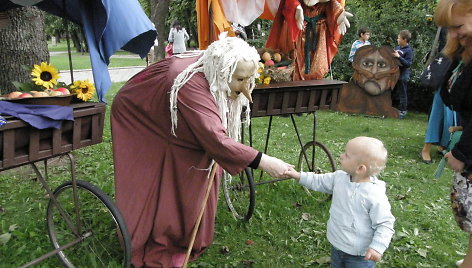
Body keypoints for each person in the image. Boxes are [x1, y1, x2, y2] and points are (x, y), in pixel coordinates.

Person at [111, 34, 293, 267]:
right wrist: (265, 162)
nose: (245, 85)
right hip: (141, 115)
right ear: (221, 72)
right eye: (239, 79)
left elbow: (215, 130)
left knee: (197, 165)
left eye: (249, 78)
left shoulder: (215, 64)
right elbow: (216, 139)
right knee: (161, 173)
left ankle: (187, 232)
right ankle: (159, 235)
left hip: (169, 107)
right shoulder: (191, 85)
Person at [284, 136, 395, 267]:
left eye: (347, 155)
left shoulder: (374, 195)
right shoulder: (339, 178)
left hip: (360, 256)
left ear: (360, 168)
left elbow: (385, 223)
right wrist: (298, 175)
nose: (341, 156)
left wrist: (377, 247)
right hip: (338, 245)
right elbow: (318, 181)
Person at [434, 0, 472, 266]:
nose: (453, 35)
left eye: (457, 26)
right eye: (449, 29)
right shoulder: (464, 51)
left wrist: (463, 153)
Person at [265, 0, 352, 80]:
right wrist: (296, 8)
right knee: (293, 61)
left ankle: (314, 84)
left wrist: (338, 14)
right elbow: (288, 3)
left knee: (317, 65)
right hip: (298, 29)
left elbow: (333, 7)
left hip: (318, 34)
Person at [392, 29, 413, 119]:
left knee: (402, 94)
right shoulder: (397, 48)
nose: (397, 40)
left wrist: (399, 57)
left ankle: (402, 111)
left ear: (404, 39)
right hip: (394, 74)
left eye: (399, 38)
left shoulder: (408, 51)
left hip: (403, 75)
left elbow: (408, 64)